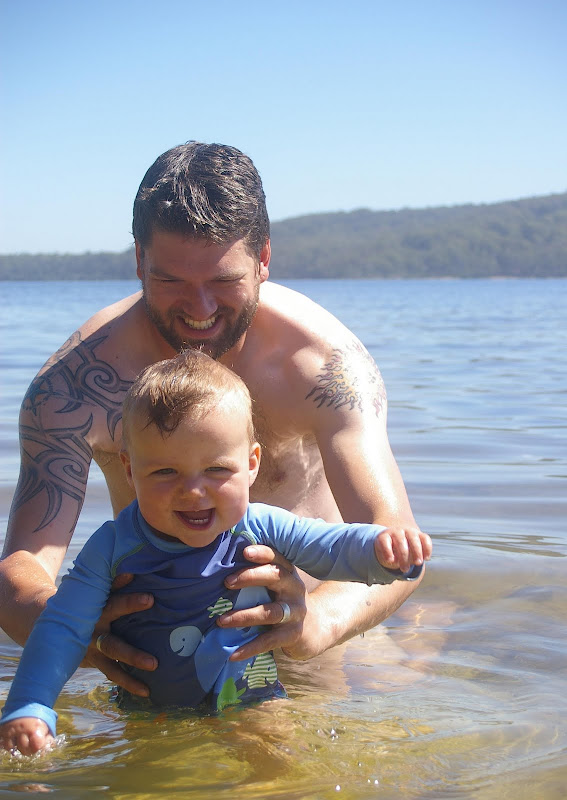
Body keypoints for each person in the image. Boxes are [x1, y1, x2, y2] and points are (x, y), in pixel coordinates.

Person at [0, 141, 426, 701]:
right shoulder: (75, 387)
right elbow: (21, 569)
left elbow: (396, 545)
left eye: (224, 281)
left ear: (263, 258)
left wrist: (315, 626)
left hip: (302, 620)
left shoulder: (321, 367)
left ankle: (425, 633)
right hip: (157, 639)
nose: (199, 309)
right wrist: (80, 636)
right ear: (139, 261)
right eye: (171, 280)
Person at [0, 350, 430, 755]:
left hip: (253, 700)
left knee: (276, 770)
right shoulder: (112, 547)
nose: (193, 491)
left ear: (251, 464)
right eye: (165, 471)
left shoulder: (261, 526)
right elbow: (62, 626)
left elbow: (329, 548)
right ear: (130, 470)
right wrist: (30, 705)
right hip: (145, 708)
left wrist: (383, 552)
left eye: (217, 469)